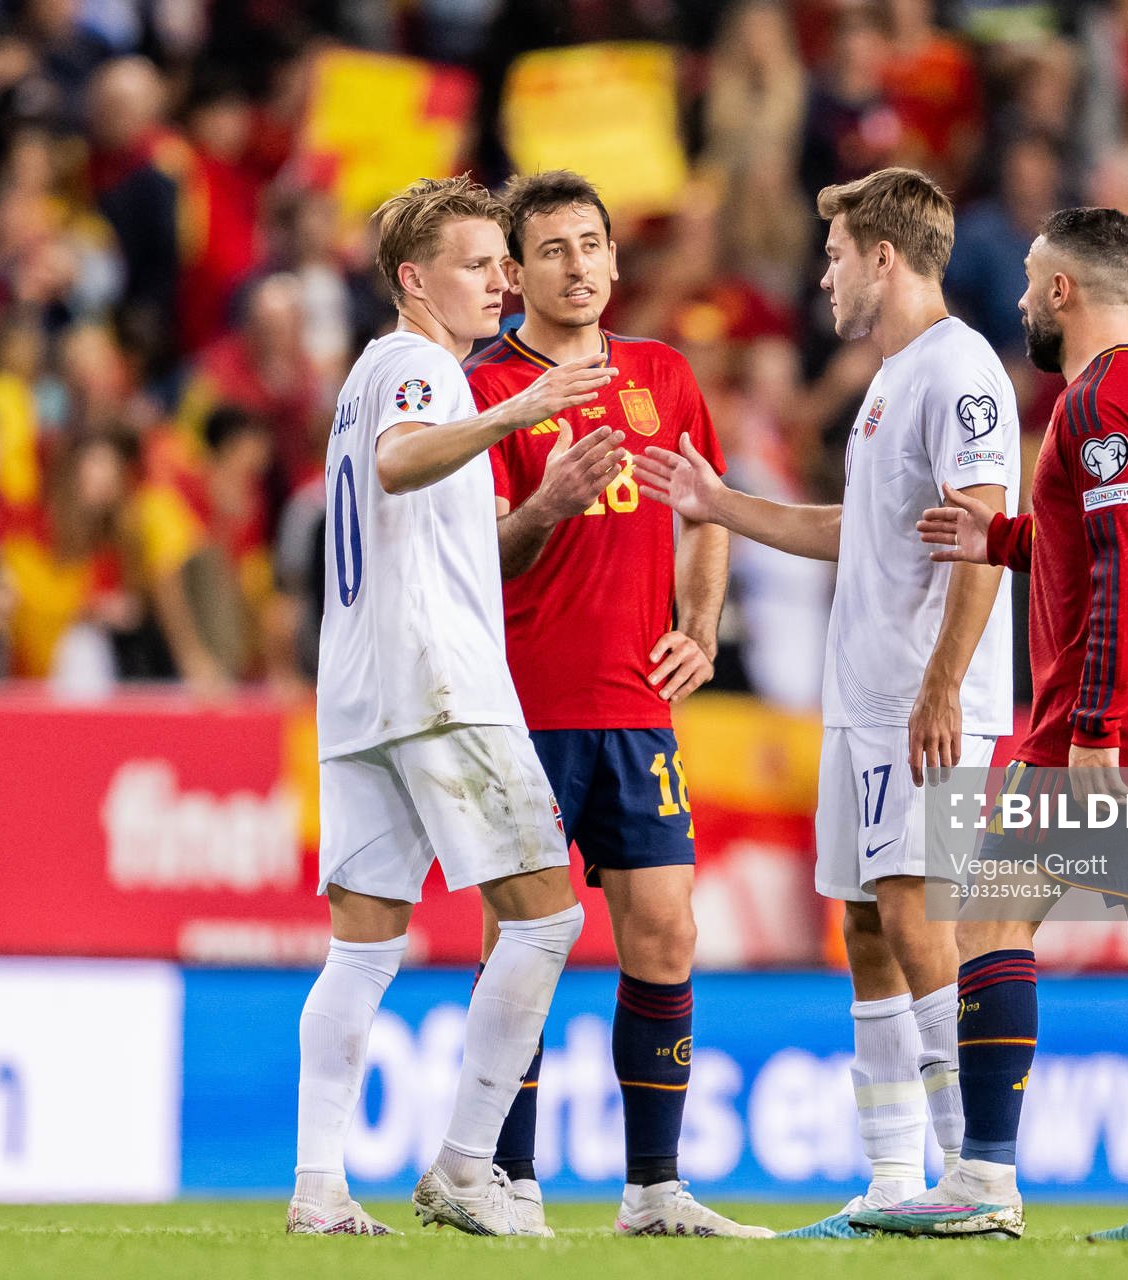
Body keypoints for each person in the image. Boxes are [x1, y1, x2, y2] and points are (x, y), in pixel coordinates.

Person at [636, 167, 1018, 1239]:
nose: (825, 273)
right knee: (863, 923)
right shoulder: (890, 381)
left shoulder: (960, 372)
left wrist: (945, 681)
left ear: (883, 258)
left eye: (838, 253)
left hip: (923, 696)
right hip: (865, 700)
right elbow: (865, 532)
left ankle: (975, 1176)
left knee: (912, 907)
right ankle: (895, 1179)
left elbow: (985, 528)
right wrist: (717, 503)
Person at [860, 207, 1128, 1242]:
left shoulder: (1097, 400)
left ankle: (983, 1181)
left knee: (989, 918)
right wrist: (1008, 537)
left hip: (1103, 710)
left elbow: (1122, 563)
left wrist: (1093, 728)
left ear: (1066, 290)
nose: (1024, 299)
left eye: (1033, 282)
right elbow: (1115, 541)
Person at [289, 176, 616, 1238]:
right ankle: (468, 1163)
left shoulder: (369, 376)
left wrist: (540, 501)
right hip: (440, 683)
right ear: (412, 279)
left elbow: (423, 512)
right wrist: (517, 407)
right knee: (549, 916)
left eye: (499, 262)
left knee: (365, 942)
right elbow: (398, 463)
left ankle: (317, 1188)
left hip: (361, 688)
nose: (503, 280)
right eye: (480, 263)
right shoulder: (425, 367)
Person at [462, 171, 762, 1238]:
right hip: (526, 707)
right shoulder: (486, 387)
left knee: (668, 931)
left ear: (615, 260)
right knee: (526, 941)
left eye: (591, 244)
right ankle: (508, 1178)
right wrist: (548, 501)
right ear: (515, 272)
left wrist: (702, 621)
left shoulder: (662, 374)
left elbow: (709, 508)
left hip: (639, 709)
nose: (579, 265)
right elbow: (477, 553)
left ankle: (654, 1188)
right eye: (553, 249)